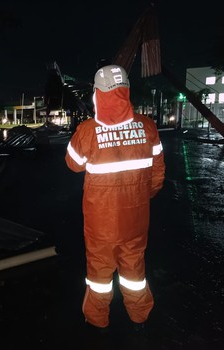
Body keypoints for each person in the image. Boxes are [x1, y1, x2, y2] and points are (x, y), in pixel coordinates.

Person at [64, 64, 165, 331]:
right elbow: (157, 175)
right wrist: (142, 196)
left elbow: (72, 164)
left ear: (98, 94)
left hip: (101, 221)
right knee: (134, 267)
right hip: (136, 216)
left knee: (99, 270)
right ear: (126, 92)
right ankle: (139, 314)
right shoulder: (147, 126)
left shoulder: (87, 131)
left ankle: (98, 319)